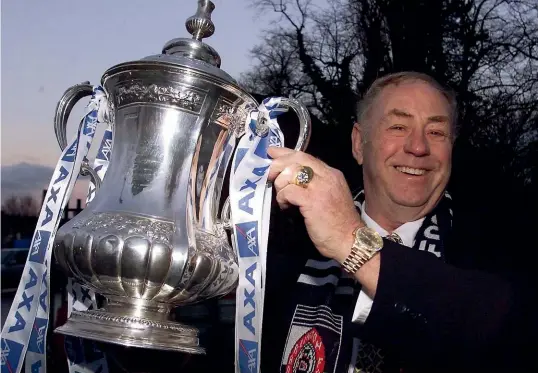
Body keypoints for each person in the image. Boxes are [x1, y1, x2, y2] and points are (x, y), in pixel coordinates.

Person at [262, 71, 536, 373]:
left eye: (436, 132)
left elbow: (504, 331)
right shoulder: (283, 245)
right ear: (358, 143)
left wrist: (349, 240)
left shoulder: (506, 245)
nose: (418, 147)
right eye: (398, 126)